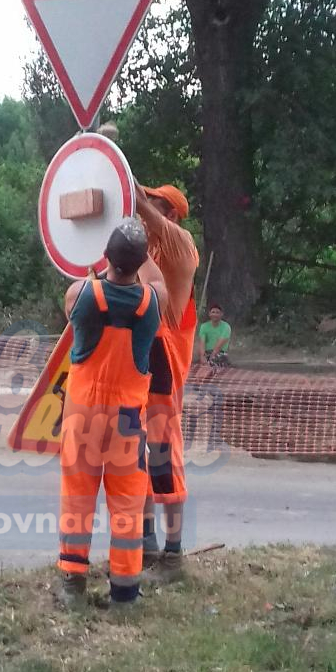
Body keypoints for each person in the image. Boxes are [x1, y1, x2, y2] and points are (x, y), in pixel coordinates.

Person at [58, 218, 168, 607]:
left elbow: (76, 304)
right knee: (126, 502)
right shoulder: (153, 303)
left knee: (78, 496)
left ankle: (72, 584)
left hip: (83, 413)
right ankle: (124, 594)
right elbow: (160, 286)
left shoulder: (80, 295)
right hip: (126, 419)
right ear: (140, 262)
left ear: (106, 254)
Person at [135, 183, 200, 573]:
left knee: (160, 456)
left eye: (154, 202)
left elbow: (138, 204)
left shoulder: (180, 243)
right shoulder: (148, 250)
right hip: (145, 359)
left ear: (169, 213)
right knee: (135, 454)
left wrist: (128, 192)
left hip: (164, 363)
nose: (144, 207)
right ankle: (147, 543)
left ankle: (173, 550)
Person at [198, 303, 232, 368]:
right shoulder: (204, 326)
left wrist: (211, 358)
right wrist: (202, 356)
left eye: (217, 312)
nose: (215, 314)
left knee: (214, 362)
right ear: (209, 314)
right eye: (213, 312)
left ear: (221, 314)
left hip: (220, 353)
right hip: (207, 353)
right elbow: (202, 343)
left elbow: (219, 345)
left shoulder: (226, 327)